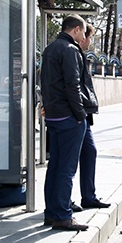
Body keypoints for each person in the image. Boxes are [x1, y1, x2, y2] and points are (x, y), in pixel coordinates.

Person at [40, 14, 89, 231]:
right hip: (69, 116)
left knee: (55, 166)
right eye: (83, 32)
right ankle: (62, 215)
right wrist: (80, 114)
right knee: (67, 168)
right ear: (77, 29)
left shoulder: (50, 48)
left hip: (53, 115)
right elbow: (73, 85)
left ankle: (51, 212)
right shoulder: (70, 50)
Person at [76, 24, 110, 210]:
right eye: (88, 36)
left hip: (83, 116)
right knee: (68, 162)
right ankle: (64, 203)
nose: (89, 41)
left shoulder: (80, 55)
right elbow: (72, 86)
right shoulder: (71, 54)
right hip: (74, 116)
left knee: (90, 152)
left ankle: (88, 196)